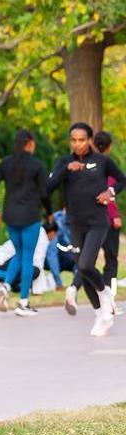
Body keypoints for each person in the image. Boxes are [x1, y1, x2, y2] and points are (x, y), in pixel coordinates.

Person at [46, 123, 126, 337]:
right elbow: (47, 188)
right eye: (73, 140)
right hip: (76, 223)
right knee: (83, 270)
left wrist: (110, 192)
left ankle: (105, 292)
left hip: (98, 222)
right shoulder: (64, 162)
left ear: (90, 140)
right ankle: (101, 315)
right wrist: (65, 170)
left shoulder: (102, 161)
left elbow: (122, 180)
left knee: (85, 263)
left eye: (81, 140)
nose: (77, 144)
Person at [0, 129, 53, 316]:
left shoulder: (6, 163)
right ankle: (23, 303)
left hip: (10, 217)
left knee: (18, 252)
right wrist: (49, 214)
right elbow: (44, 194)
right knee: (27, 257)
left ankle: (5, 287)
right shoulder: (37, 165)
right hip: (30, 217)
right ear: (30, 143)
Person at [0, 221, 57, 306]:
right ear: (52, 232)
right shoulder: (42, 237)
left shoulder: (30, 230)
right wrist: (38, 291)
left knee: (22, 273)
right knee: (35, 271)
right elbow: (38, 263)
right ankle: (1, 286)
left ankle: (8, 286)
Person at [94, 130, 121, 316]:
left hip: (91, 220)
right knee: (111, 261)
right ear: (109, 147)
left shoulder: (89, 164)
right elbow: (109, 194)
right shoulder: (107, 165)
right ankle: (110, 301)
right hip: (107, 221)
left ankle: (74, 288)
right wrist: (114, 216)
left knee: (87, 261)